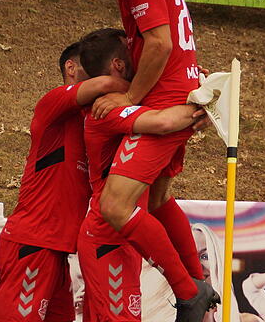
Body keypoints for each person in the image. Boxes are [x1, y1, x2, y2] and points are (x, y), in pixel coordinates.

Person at [56, 0, 220, 322]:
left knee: (114, 205)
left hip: (165, 95)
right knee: (160, 197)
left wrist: (131, 96)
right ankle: (198, 282)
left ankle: (188, 291)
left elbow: (160, 44)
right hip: (180, 89)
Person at [77, 28, 208, 322]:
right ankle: (190, 290)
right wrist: (206, 103)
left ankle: (194, 286)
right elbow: (164, 122)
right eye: (133, 48)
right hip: (106, 240)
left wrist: (190, 84)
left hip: (124, 238)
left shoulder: (129, 101)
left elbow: (160, 201)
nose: (142, 52)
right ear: (119, 65)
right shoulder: (106, 108)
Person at [0, 41, 129, 322]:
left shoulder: (95, 116)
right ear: (71, 68)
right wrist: (155, 82)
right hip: (33, 241)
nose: (96, 72)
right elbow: (106, 82)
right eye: (88, 66)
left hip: (57, 250)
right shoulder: (54, 102)